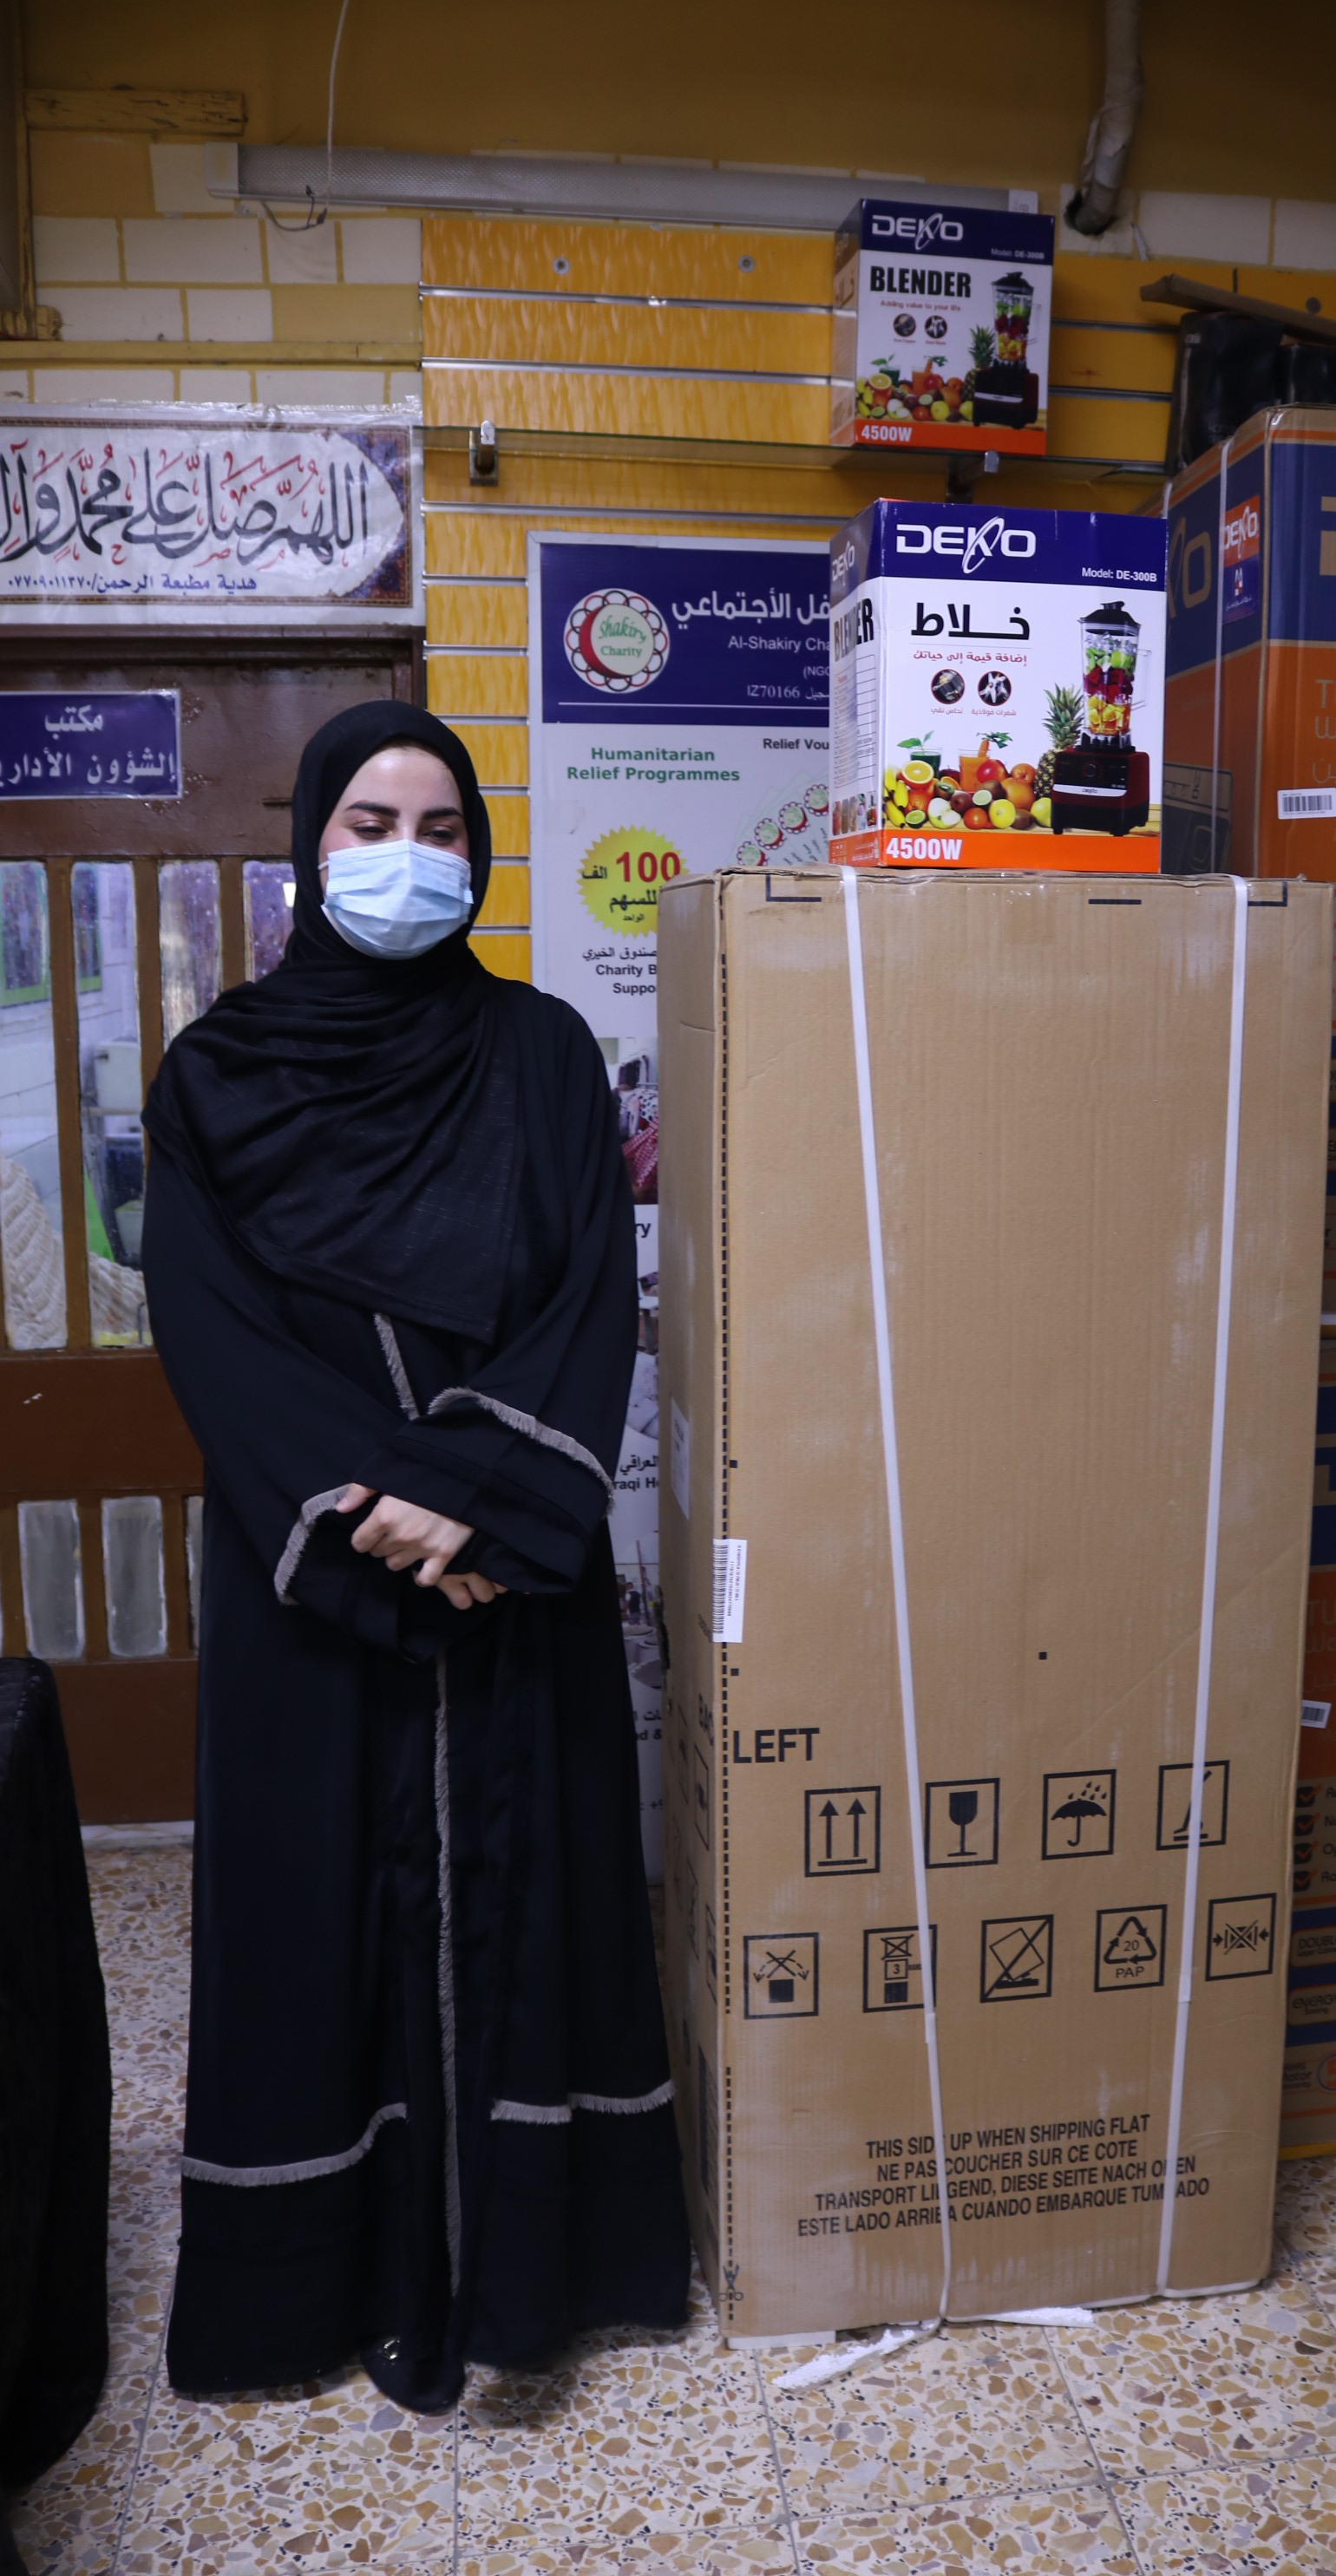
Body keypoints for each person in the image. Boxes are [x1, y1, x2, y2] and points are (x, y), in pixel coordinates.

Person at [142, 701, 687, 2413]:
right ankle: (327, 2278)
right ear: (311, 846)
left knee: (534, 1894)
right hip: (312, 1573)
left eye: (440, 829)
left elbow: (586, 1291)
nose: (406, 858)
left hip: (505, 1569)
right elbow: (209, 1326)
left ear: (481, 852)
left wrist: (479, 1500)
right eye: (368, 826)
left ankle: (538, 2272)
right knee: (320, 1907)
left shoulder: (541, 1054)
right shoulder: (217, 1073)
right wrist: (372, 1507)